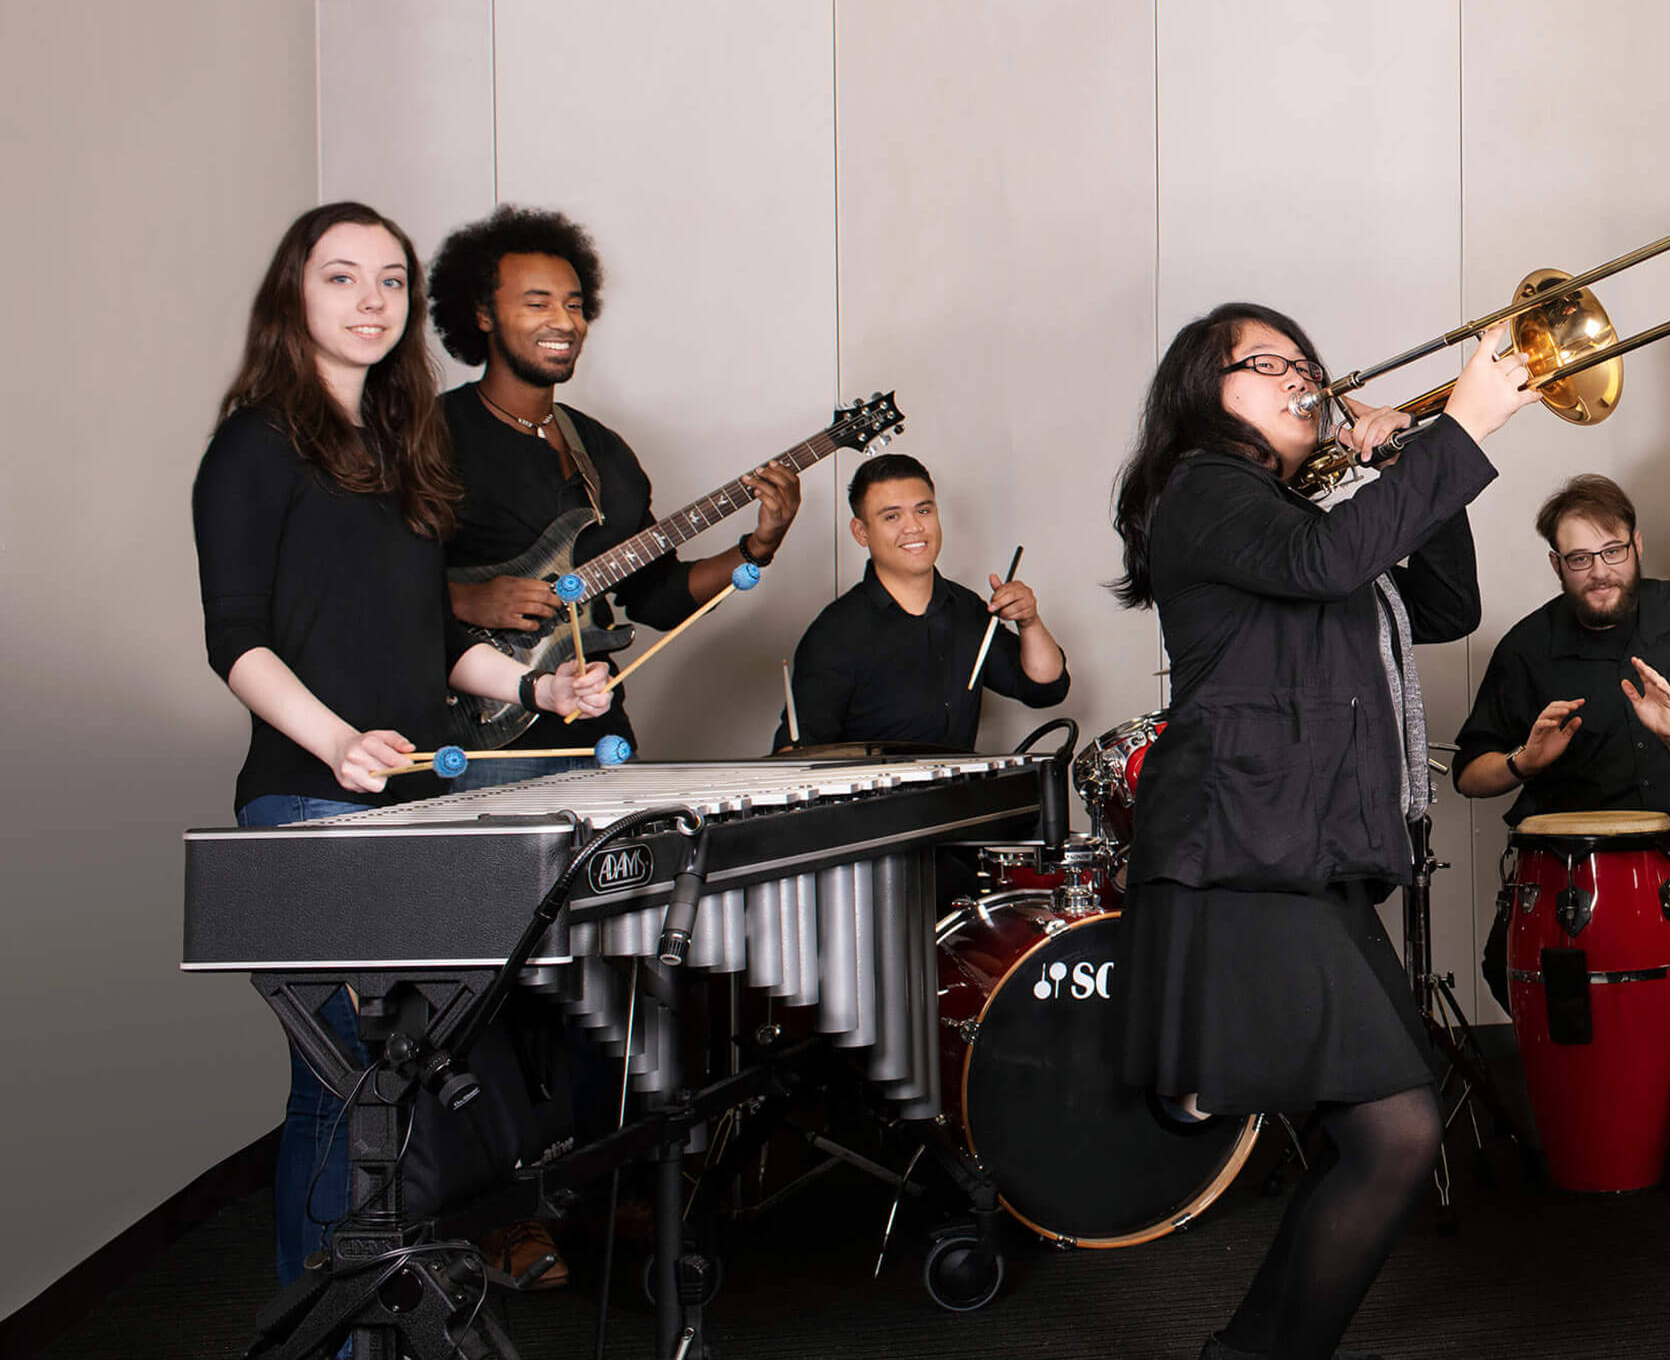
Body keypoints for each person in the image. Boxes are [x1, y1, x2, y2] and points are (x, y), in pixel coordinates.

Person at [192, 202, 613, 1290]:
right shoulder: (254, 445)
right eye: (342, 277)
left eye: (390, 280)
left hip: (411, 805)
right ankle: (332, 1323)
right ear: (295, 296)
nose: (372, 300)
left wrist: (537, 684)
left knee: (369, 1087)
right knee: (354, 1085)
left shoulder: (403, 452)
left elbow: (428, 643)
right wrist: (336, 745)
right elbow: (233, 639)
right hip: (307, 803)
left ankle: (345, 1314)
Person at [1111, 302, 1539, 1360]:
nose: (1304, 379)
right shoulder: (1203, 489)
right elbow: (1329, 563)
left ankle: (1251, 1353)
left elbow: (1442, 607)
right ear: (1203, 391)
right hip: (1243, 851)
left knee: (1386, 1134)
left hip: (1302, 850)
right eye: (1271, 365)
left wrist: (1410, 456)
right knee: (1394, 1133)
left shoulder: (1293, 516)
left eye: (1308, 364)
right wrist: (1462, 428)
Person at [427, 205, 800, 787]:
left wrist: (758, 546)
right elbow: (367, 586)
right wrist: (463, 599)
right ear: (480, 315)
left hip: (597, 737)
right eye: (538, 303)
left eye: (575, 305)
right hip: (476, 746)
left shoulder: (602, 450)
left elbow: (657, 596)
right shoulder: (429, 436)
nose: (565, 320)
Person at [1451, 473, 1670, 825]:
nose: (1600, 571)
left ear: (1636, 546)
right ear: (1556, 564)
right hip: (1574, 865)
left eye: (1612, 551)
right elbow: (1468, 775)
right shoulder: (1525, 647)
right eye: (1579, 558)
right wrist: (1524, 762)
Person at [783, 453, 1067, 749]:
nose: (914, 528)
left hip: (960, 793)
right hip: (877, 796)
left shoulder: (967, 608)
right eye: (892, 516)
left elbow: (1044, 689)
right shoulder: (834, 632)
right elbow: (797, 754)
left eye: (923, 511)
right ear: (861, 532)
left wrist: (1029, 621)